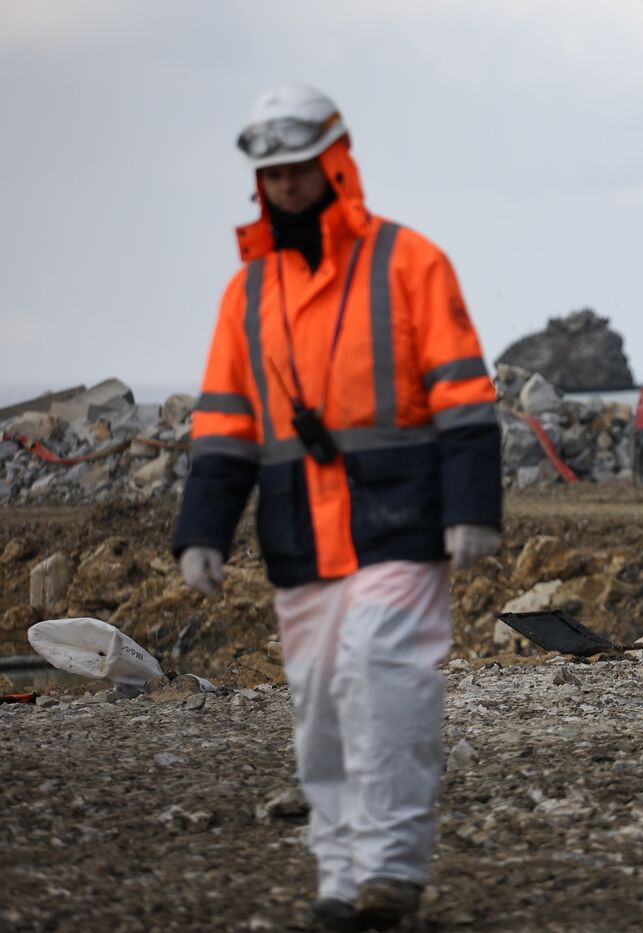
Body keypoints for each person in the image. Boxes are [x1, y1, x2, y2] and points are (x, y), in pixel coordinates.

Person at [171, 84, 502, 931]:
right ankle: (341, 878)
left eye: (297, 166)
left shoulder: (410, 262)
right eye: (270, 171)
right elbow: (224, 426)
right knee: (320, 701)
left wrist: (473, 510)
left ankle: (389, 870)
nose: (284, 184)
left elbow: (465, 401)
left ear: (333, 160)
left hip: (401, 523)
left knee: (379, 672)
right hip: (300, 531)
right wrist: (202, 531)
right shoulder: (246, 293)